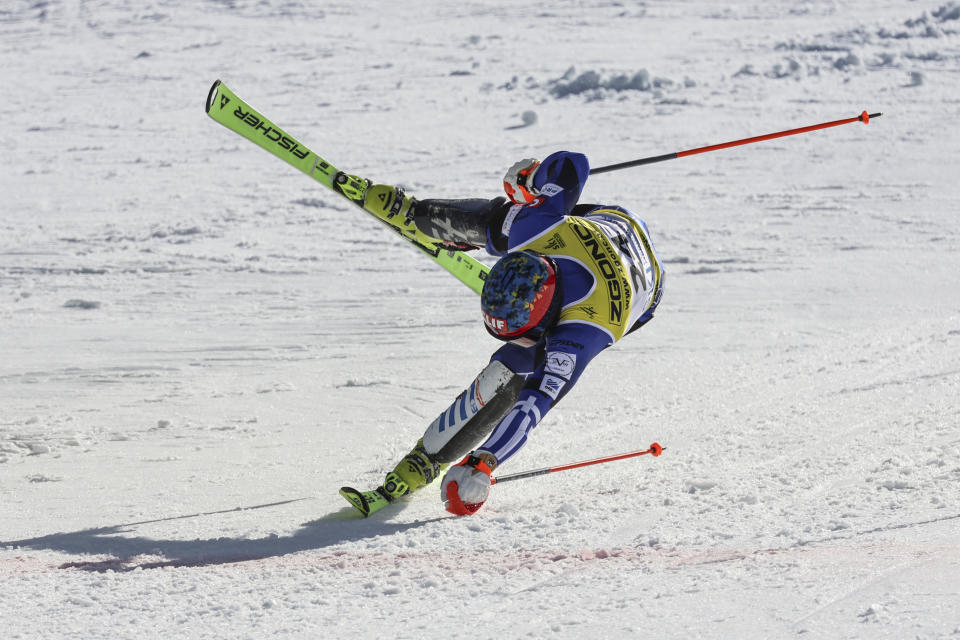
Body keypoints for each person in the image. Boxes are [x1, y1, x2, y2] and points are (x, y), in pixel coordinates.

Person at [377, 151, 664, 516]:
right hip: (611, 222)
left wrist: (485, 461)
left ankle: (434, 453)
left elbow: (536, 402)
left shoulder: (582, 334)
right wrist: (535, 182)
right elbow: (572, 164)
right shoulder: (537, 229)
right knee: (508, 223)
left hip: (645, 290)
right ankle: (417, 213)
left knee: (521, 364)